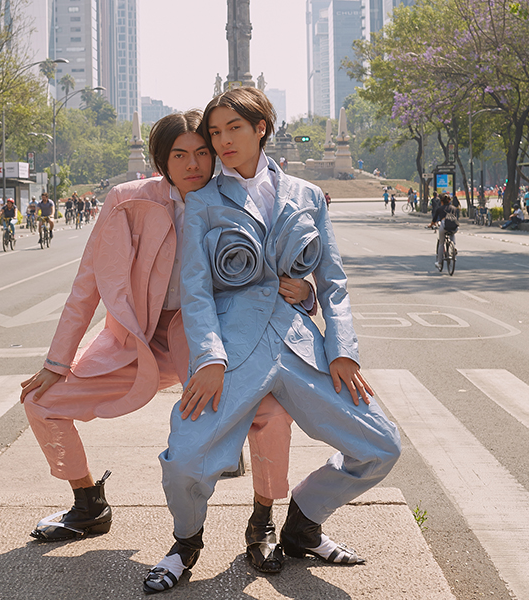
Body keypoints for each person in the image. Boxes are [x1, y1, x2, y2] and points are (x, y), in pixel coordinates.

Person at [20, 112, 309, 570]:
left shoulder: (240, 200)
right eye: (180, 154)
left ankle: (263, 520)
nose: (193, 164)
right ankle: (87, 503)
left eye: (202, 153)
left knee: (271, 413)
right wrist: (58, 360)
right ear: (161, 159)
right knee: (41, 400)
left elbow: (282, 269)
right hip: (137, 342)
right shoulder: (126, 202)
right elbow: (86, 285)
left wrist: (307, 294)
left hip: (211, 342)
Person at [144, 88, 401, 594]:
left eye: (232, 129)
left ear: (260, 128)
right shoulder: (201, 203)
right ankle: (186, 543)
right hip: (233, 352)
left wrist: (342, 350)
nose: (222, 141)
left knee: (381, 446)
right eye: (214, 133)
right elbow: (195, 291)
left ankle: (303, 522)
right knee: (185, 460)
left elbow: (334, 282)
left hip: (301, 346)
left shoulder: (307, 195)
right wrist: (209, 359)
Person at [431, 194, 458, 268]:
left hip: (444, 225)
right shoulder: (454, 208)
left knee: (441, 243)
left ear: (441, 201)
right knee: (452, 234)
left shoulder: (439, 209)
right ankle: (453, 247)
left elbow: (434, 219)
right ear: (449, 201)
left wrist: (431, 225)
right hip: (453, 225)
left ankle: (439, 262)